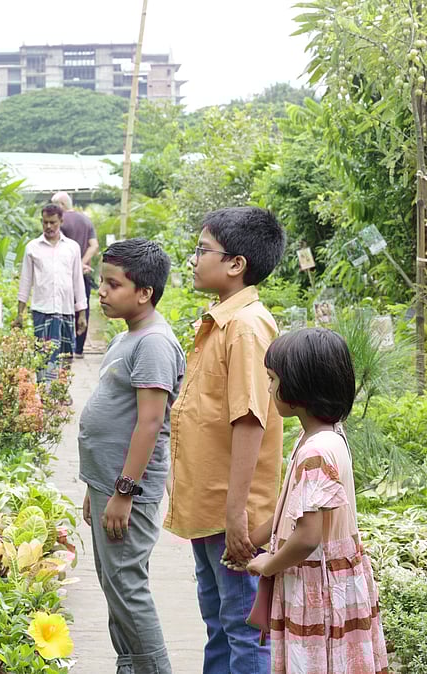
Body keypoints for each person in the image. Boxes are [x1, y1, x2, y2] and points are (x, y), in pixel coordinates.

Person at [163, 206, 287, 673]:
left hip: (232, 516)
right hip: (210, 509)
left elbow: (250, 421)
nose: (194, 259)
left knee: (243, 629)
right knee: (219, 623)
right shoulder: (222, 321)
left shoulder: (246, 327)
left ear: (236, 264)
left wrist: (237, 515)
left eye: (203, 250)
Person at [241, 328, 389, 673]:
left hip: (316, 588)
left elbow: (307, 537)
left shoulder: (316, 452)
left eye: (273, 379)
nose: (269, 388)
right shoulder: (327, 436)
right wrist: (252, 542)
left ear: (299, 388)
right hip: (331, 580)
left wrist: (269, 564)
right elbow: (292, 511)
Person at [78, 238, 185, 673]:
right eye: (102, 282)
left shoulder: (154, 343)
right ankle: (132, 666)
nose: (101, 292)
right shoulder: (129, 336)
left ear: (145, 292)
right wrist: (96, 486)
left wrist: (124, 491)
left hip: (128, 491)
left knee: (127, 586)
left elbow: (150, 423)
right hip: (108, 485)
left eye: (113, 284)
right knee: (114, 585)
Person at [13, 204, 87, 380]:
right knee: (43, 356)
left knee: (65, 356)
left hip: (66, 310)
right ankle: (43, 391)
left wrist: (82, 314)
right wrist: (19, 314)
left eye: (53, 222)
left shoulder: (72, 248)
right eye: (45, 222)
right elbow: (25, 281)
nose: (48, 226)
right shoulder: (32, 248)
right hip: (42, 311)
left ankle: (61, 389)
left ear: (61, 221)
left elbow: (77, 280)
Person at [52, 192, 100, 358]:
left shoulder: (61, 221)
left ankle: (64, 346)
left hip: (64, 273)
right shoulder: (86, 220)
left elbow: (57, 245)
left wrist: (75, 265)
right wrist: (82, 263)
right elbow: (94, 245)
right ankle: (79, 348)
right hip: (84, 273)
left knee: (63, 307)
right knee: (82, 306)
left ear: (62, 205)